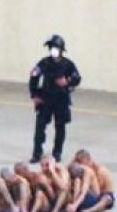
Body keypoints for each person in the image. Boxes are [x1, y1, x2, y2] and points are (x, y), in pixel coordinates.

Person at [28, 35, 81, 164]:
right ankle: (37, 153)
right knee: (40, 126)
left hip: (61, 100)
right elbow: (33, 77)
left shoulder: (68, 64)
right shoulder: (44, 63)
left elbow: (77, 77)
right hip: (45, 99)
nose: (53, 50)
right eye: (51, 48)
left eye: (55, 48)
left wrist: (67, 81)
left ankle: (57, 153)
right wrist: (35, 95)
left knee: (60, 127)